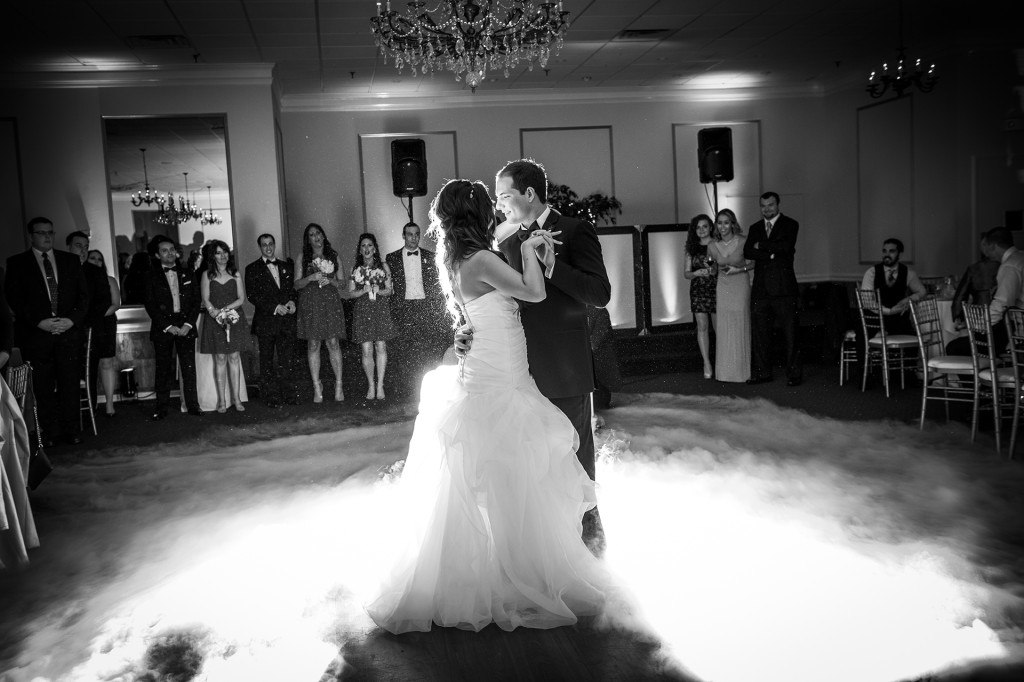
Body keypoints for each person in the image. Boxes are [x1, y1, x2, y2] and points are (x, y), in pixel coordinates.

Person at [365, 179, 605, 634]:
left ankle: (490, 571)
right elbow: (534, 293)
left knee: (492, 472)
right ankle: (518, 573)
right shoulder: (482, 259)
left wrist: (463, 333)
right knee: (512, 470)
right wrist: (530, 249)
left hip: (490, 365)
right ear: (476, 216)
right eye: (488, 205)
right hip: (501, 374)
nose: (496, 209)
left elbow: (472, 314)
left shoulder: (458, 259)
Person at [493, 158, 611, 550]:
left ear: (529, 193)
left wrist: (553, 265)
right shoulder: (507, 242)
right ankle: (548, 549)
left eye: (505, 196)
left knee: (575, 457)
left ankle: (589, 547)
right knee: (532, 463)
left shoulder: (575, 230)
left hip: (565, 368)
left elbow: (600, 293)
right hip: (520, 369)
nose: (500, 205)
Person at [4, 217, 90, 446]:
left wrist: (71, 321)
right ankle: (49, 433)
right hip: (36, 335)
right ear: (31, 236)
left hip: (67, 333)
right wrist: (38, 322)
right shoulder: (18, 263)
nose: (47, 236)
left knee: (69, 383)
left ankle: (71, 430)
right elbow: (15, 299)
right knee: (42, 386)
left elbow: (84, 297)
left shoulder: (70, 261)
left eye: (50, 232)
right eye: (41, 233)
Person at [743, 191, 802, 386]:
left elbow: (785, 247)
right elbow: (748, 251)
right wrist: (770, 253)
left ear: (778, 205)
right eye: (763, 206)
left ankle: (794, 374)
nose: (766, 209)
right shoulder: (755, 227)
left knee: (791, 334)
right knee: (760, 334)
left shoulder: (790, 224)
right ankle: (763, 373)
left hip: (784, 289)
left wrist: (761, 245)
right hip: (761, 290)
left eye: (770, 205)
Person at [384, 222, 447, 401]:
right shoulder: (392, 258)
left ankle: (426, 389)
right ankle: (407, 390)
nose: (414, 237)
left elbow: (436, 284)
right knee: (405, 350)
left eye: (417, 234)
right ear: (403, 236)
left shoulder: (430, 256)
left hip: (424, 307)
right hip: (403, 307)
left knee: (426, 349)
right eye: (410, 234)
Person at [143, 235, 202, 421]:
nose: (169, 253)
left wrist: (188, 324)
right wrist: (167, 326)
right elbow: (150, 305)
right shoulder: (150, 276)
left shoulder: (188, 272)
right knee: (163, 369)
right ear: (157, 255)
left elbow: (196, 301)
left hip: (186, 326)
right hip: (163, 328)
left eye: (171, 249)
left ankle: (193, 406)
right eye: (164, 250)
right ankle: (161, 408)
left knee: (189, 368)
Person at [947, 227, 1024, 356]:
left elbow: (1002, 304)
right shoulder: (1020, 257)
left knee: (954, 347)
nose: (985, 253)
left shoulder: (1010, 266)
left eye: (985, 247)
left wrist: (976, 329)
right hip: (1012, 325)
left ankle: (988, 369)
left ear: (992, 246)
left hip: (1016, 330)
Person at [295, 223, 348, 403]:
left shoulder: (334, 255)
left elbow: (343, 284)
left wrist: (330, 280)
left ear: (323, 235)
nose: (316, 237)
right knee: (313, 344)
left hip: (330, 302)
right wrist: (311, 277)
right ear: (308, 239)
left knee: (333, 342)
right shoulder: (303, 257)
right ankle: (317, 386)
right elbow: (296, 284)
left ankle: (339, 385)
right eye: (311, 235)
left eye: (318, 233)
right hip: (311, 303)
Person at [245, 233, 298, 408]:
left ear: (274, 245)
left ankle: (289, 395)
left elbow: (292, 290)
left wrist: (292, 302)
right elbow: (252, 296)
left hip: (285, 322)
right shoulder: (252, 269)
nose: (268, 247)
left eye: (270, 244)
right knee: (266, 362)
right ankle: (271, 397)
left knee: (287, 361)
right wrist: (275, 307)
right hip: (266, 322)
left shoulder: (286, 266)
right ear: (260, 247)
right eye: (264, 244)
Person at [200, 240, 250, 413]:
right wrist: (214, 312)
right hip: (214, 320)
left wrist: (225, 311)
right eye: (218, 253)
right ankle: (222, 400)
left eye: (225, 252)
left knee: (234, 357)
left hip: (234, 318)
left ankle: (236, 399)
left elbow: (241, 299)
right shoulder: (207, 274)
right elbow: (205, 298)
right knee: (220, 358)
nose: (223, 256)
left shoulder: (235, 273)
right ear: (213, 256)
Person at [66, 232, 112, 415]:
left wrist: (84, 323)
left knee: (89, 373)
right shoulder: (59, 268)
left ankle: (89, 414)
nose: (83, 251)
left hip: (87, 331)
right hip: (61, 331)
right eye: (79, 246)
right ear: (68, 246)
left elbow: (104, 302)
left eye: (86, 247)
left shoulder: (94, 271)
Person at [349, 232, 396, 401]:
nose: (366, 248)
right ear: (360, 250)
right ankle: (371, 384)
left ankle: (380, 384)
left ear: (375, 248)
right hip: (363, 310)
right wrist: (363, 290)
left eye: (369, 245)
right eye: (363, 246)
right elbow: (351, 293)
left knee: (381, 346)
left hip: (380, 309)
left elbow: (390, 290)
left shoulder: (384, 267)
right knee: (366, 349)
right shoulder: (355, 269)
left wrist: (379, 290)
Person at [708, 208, 753, 383]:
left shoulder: (743, 241)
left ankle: (742, 373)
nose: (723, 226)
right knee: (724, 326)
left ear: (733, 224)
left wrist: (739, 269)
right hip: (723, 286)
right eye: (719, 223)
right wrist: (710, 268)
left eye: (726, 223)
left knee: (740, 323)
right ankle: (725, 373)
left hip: (740, 285)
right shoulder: (712, 246)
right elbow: (713, 269)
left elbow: (753, 263)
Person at [860, 238, 927, 335]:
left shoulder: (908, 273)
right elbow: (867, 302)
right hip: (876, 321)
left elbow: (922, 292)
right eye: (884, 251)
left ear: (900, 254)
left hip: (898, 321)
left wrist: (907, 300)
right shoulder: (871, 272)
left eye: (891, 251)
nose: (886, 254)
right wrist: (889, 311)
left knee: (914, 339)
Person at [85, 250, 121, 417]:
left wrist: (96, 315)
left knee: (107, 363)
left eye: (99, 259)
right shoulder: (81, 280)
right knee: (89, 366)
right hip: (87, 325)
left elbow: (116, 304)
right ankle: (91, 403)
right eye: (92, 258)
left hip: (106, 323)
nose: (96, 261)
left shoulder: (110, 280)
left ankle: (109, 404)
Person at [684, 213, 718, 379]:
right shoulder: (691, 248)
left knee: (719, 328)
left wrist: (712, 270)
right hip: (698, 290)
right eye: (698, 227)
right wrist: (696, 273)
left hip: (717, 289)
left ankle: (722, 363)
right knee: (702, 327)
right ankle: (707, 363)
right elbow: (686, 274)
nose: (702, 230)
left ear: (710, 227)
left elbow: (721, 267)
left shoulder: (718, 244)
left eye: (705, 226)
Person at [950, 254, 1000, 325]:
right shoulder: (1006, 266)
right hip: (1004, 316)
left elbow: (961, 295)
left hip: (979, 315)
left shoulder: (974, 268)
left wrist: (959, 317)